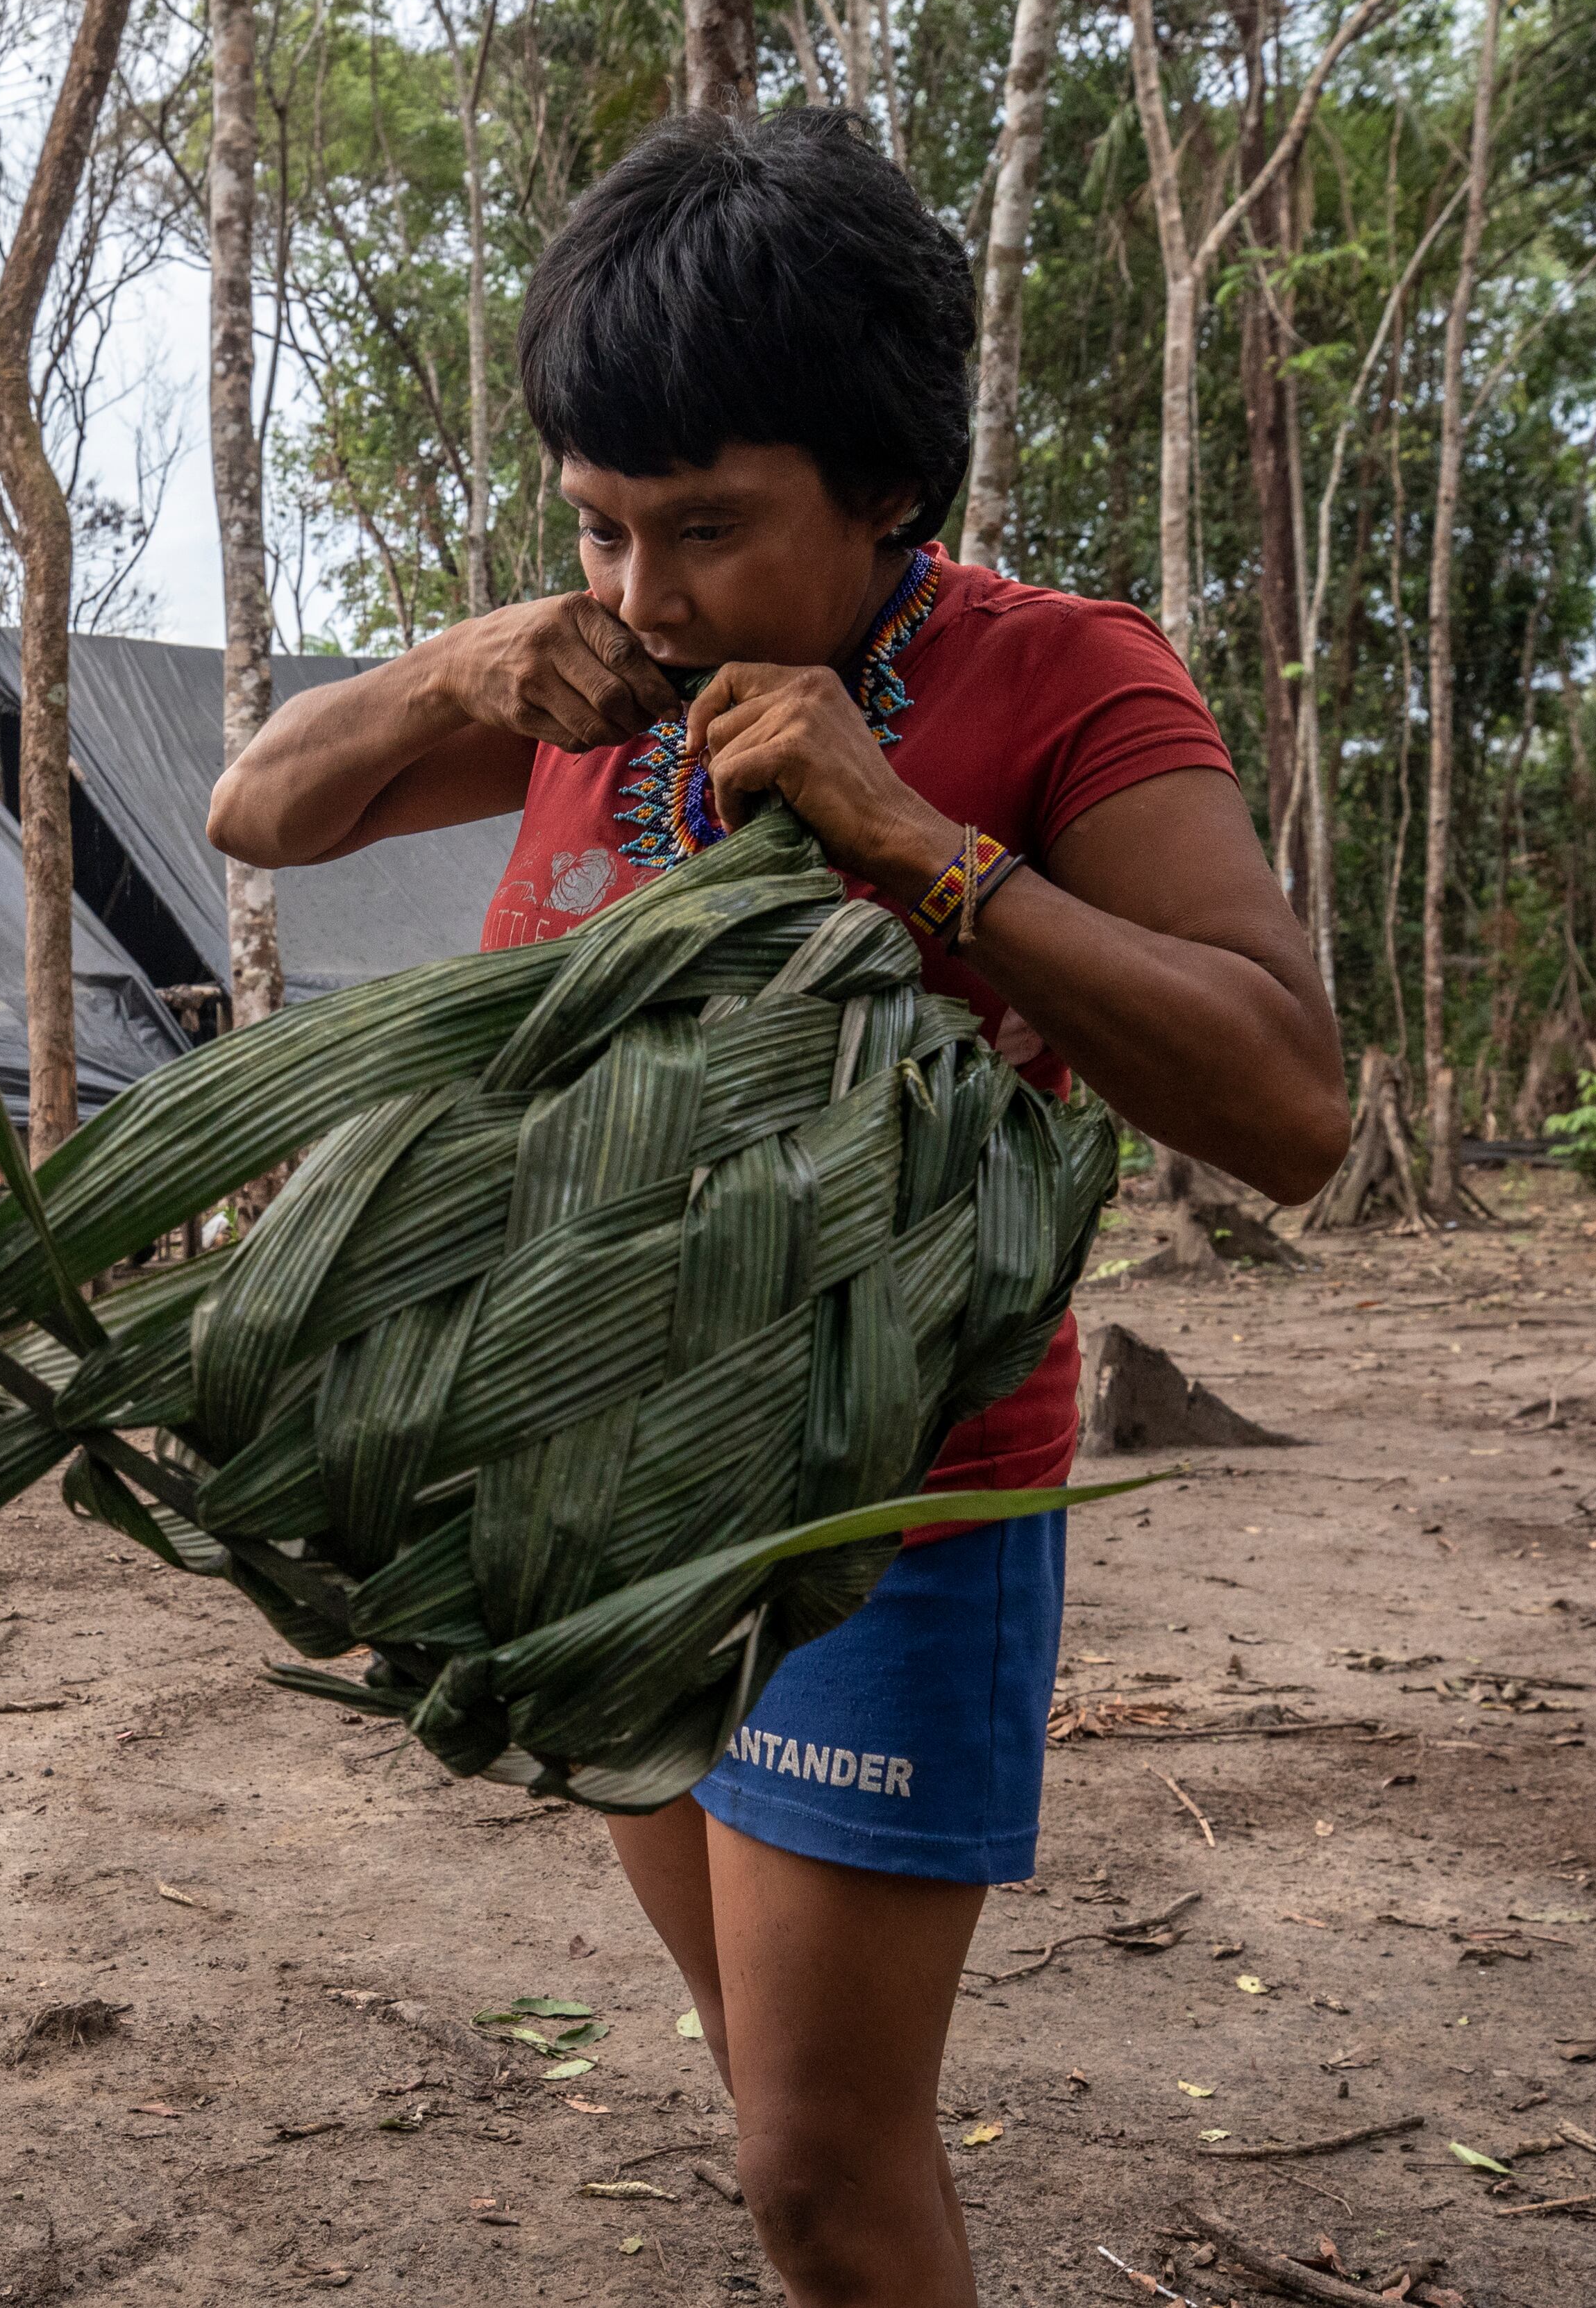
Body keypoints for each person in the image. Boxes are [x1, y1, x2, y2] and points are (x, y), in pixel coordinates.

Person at [208, 111, 1347, 2308]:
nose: (647, 591)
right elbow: (260, 808)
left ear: (892, 484)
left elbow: (1289, 1101)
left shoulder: (1062, 676)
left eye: (710, 526)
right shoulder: (595, 667)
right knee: (776, 2093)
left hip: (887, 1514)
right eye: (601, 521)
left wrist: (907, 832)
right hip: (602, 1499)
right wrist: (457, 668)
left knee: (818, 2173)